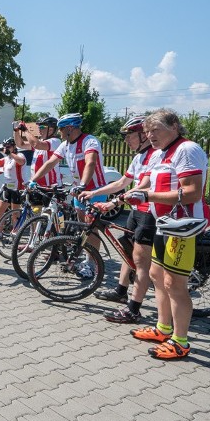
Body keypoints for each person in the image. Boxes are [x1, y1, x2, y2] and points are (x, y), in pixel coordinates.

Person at [124, 109, 210, 360]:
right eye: (147, 131)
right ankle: (162, 329)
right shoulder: (160, 154)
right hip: (163, 223)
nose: (150, 135)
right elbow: (145, 183)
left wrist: (147, 196)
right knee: (156, 276)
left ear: (174, 126)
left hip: (182, 226)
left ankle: (180, 342)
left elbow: (192, 192)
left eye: (155, 129)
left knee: (175, 285)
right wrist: (125, 196)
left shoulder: (187, 149)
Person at [81, 115, 159, 324]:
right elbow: (123, 182)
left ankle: (134, 310)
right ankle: (121, 290)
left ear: (143, 135)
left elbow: (142, 186)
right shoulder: (139, 157)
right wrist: (94, 192)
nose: (126, 140)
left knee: (141, 263)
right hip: (136, 210)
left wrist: (113, 203)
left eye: (129, 135)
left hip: (150, 213)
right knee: (127, 252)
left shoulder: (155, 156)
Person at [29, 112, 108, 279]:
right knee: (82, 227)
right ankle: (87, 257)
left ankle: (92, 264)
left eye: (61, 129)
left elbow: (90, 163)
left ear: (70, 128)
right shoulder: (65, 144)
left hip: (95, 190)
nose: (59, 132)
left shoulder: (89, 141)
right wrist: (34, 180)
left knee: (90, 229)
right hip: (79, 191)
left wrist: (82, 185)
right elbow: (50, 162)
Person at [15, 117, 62, 187]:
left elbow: (36, 144)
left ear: (51, 130)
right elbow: (21, 144)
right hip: (36, 185)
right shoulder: (41, 142)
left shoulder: (55, 141)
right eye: (39, 127)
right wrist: (16, 131)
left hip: (51, 186)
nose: (39, 129)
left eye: (42, 127)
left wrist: (25, 130)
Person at [0, 137, 27, 227]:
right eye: (5, 146)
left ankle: (15, 234)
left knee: (14, 214)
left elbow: (21, 162)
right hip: (7, 187)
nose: (6, 148)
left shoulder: (19, 155)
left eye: (8, 146)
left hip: (17, 188)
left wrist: (10, 153)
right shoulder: (6, 158)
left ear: (14, 146)